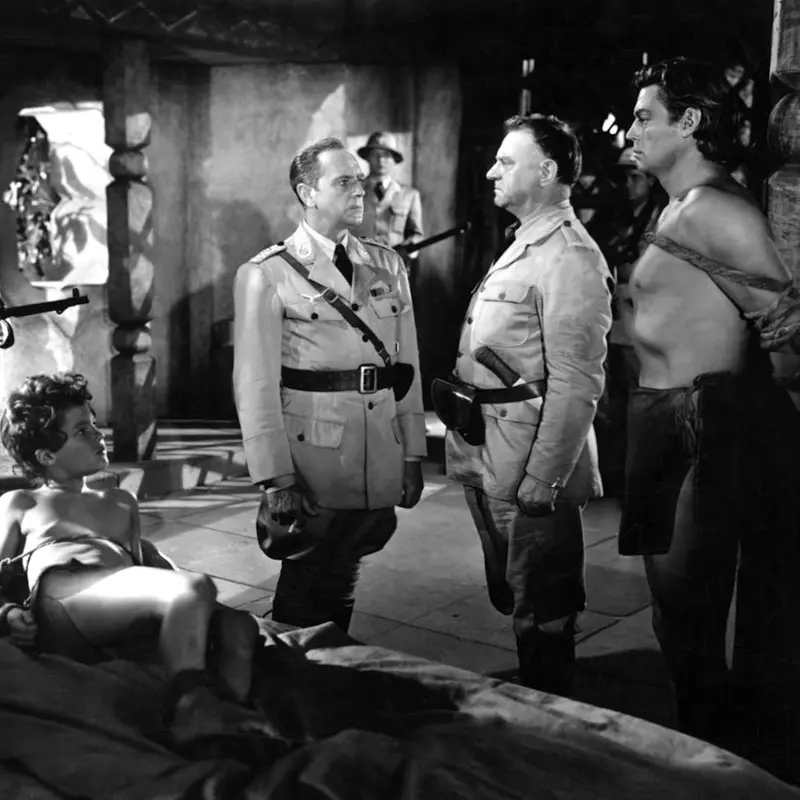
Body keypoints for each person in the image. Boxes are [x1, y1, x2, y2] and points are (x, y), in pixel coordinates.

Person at [619, 57, 800, 766]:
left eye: (644, 117)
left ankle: (715, 765)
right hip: (664, 419)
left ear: (689, 121)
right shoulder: (678, 207)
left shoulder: (715, 210)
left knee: (689, 616)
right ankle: (703, 752)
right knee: (674, 615)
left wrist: (738, 422)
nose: (631, 130)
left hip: (699, 424)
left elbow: (788, 332)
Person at [438, 114, 613, 696]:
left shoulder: (571, 256)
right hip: (494, 446)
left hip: (528, 459)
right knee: (516, 589)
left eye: (506, 161)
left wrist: (545, 477)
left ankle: (550, 708)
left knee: (544, 604)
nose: (492, 171)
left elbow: (578, 381)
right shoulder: (528, 243)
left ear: (547, 171)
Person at [0, 372, 263, 744]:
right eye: (82, 431)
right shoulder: (23, 503)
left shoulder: (121, 501)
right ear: (46, 456)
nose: (99, 435)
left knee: (239, 626)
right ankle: (190, 710)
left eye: (94, 424)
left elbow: (141, 571)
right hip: (64, 596)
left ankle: (226, 719)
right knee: (190, 588)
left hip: (114, 599)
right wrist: (7, 613)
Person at [232, 136, 426, 635]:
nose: (359, 189)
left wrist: (412, 454)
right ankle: (292, 668)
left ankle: (331, 663)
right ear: (308, 192)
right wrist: (275, 478)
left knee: (346, 567)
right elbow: (255, 385)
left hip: (376, 445)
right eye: (344, 181)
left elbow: (406, 367)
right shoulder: (267, 273)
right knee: (305, 575)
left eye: (359, 180)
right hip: (312, 453)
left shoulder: (388, 265)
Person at [595, 147, 667, 496]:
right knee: (612, 402)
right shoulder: (616, 216)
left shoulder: (662, 217)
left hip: (643, 324)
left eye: (635, 177)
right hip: (615, 321)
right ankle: (615, 474)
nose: (628, 184)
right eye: (624, 178)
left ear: (650, 180)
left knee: (640, 402)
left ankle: (637, 480)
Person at [354, 131, 424, 265]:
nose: (381, 160)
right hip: (360, 268)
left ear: (394, 160)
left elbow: (416, 235)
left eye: (386, 155)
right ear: (367, 158)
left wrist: (409, 246)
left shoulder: (410, 195)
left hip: (395, 267)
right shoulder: (352, 193)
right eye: (375, 154)